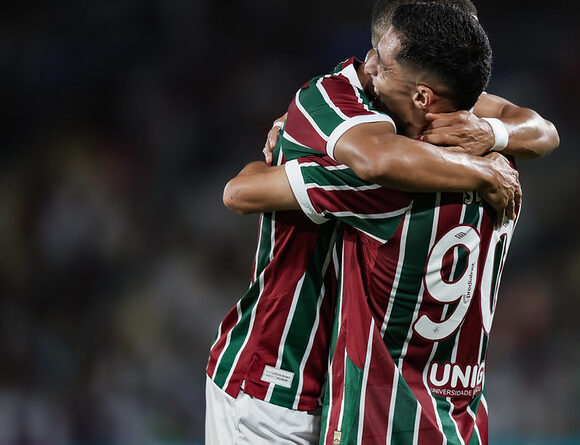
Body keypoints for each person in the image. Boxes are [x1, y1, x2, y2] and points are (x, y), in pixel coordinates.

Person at [205, 2, 551, 444]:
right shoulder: (342, 104)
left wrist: (492, 136)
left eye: (383, 61)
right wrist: (486, 165)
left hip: (350, 396)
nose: (368, 66)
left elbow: (243, 188)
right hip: (275, 382)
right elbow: (242, 192)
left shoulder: (400, 166)